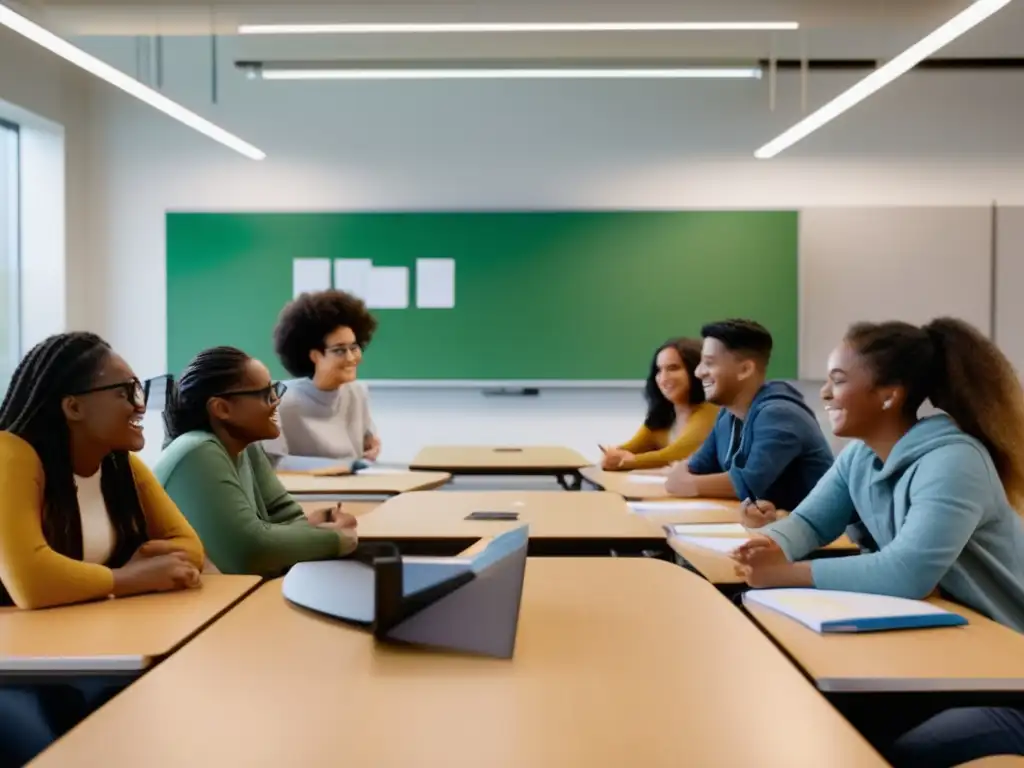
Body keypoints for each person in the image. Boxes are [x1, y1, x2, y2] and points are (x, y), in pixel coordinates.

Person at [732, 318, 1024, 767]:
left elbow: (906, 572)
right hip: (947, 655)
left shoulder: (954, 460)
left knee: (889, 748)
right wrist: (767, 544)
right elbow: (809, 522)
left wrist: (786, 573)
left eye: (838, 380)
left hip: (1007, 675)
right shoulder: (861, 457)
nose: (825, 394)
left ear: (890, 395)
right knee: (828, 715)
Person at [0, 332, 204, 766]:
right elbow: (31, 582)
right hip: (15, 668)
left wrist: (114, 581)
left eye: (139, 388)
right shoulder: (9, 455)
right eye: (124, 392)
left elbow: (188, 550)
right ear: (73, 406)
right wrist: (131, 578)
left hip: (76, 649)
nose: (140, 404)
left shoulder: (119, 464)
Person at [155, 346, 358, 577]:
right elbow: (252, 552)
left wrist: (305, 532)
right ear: (222, 408)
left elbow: (287, 517)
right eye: (265, 394)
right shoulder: (197, 451)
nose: (276, 401)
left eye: (275, 390)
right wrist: (338, 539)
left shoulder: (245, 445)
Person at [665, 319, 833, 509]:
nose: (698, 372)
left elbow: (749, 484)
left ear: (745, 369)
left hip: (821, 536)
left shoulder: (780, 414)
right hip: (767, 527)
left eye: (709, 363)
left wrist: (687, 484)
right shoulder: (727, 414)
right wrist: (685, 477)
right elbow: (698, 465)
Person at [266, 290, 380, 470]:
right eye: (340, 350)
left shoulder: (357, 393)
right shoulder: (277, 400)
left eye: (354, 347)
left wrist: (371, 447)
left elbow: (368, 443)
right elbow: (273, 463)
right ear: (314, 355)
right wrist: (348, 465)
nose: (352, 358)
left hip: (355, 490)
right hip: (306, 494)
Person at [600, 338, 717, 471]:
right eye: (659, 370)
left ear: (696, 371)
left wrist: (630, 461)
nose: (663, 378)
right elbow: (633, 447)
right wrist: (612, 455)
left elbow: (678, 454)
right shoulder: (663, 413)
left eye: (673, 368)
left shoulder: (711, 409)